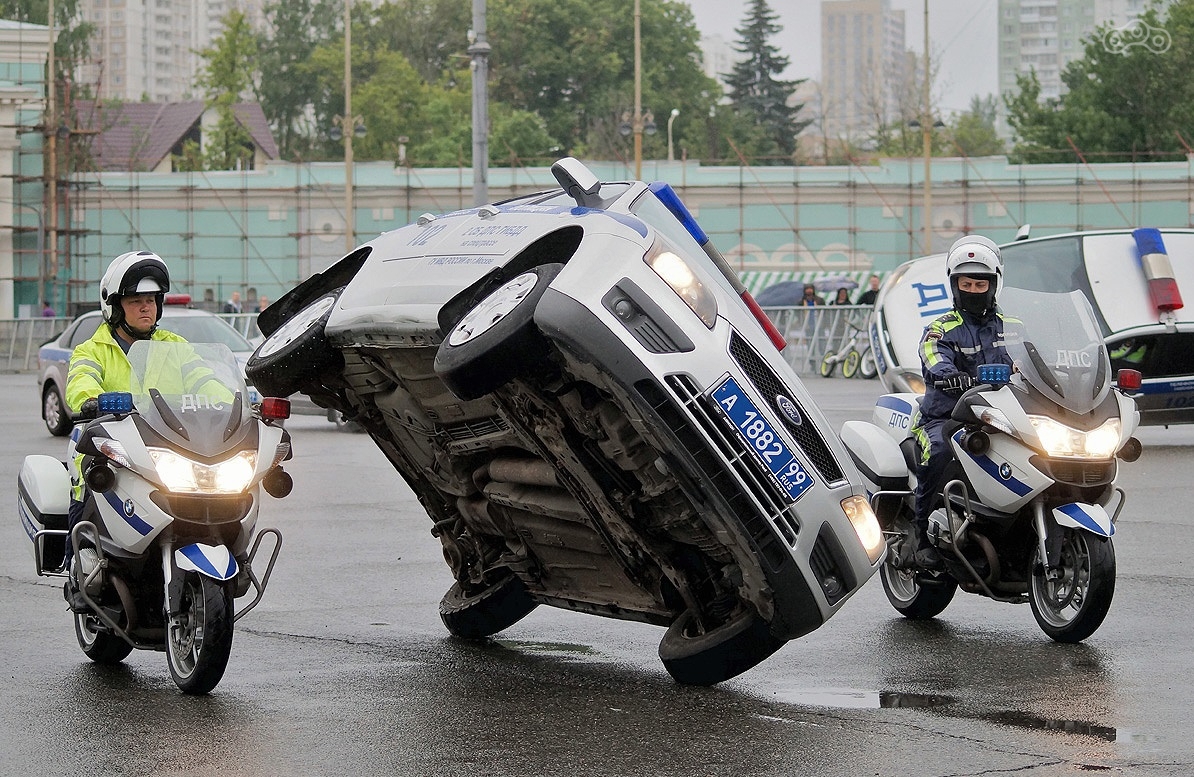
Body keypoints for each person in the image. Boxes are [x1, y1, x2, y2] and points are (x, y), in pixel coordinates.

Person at [909, 235, 1017, 570]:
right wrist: (947, 372)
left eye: (980, 282)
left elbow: (1040, 357)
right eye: (966, 283)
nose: (973, 289)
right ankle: (919, 534)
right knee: (939, 452)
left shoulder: (1015, 326)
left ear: (994, 284)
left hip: (1004, 416)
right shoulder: (941, 327)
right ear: (955, 286)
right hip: (945, 418)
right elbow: (930, 353)